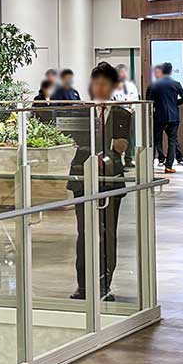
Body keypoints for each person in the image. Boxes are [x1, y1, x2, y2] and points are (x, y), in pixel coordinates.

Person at [72, 61, 131, 302]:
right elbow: (74, 141)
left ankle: (104, 285)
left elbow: (121, 145)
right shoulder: (80, 112)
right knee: (84, 234)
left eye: (104, 83)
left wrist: (103, 150)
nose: (99, 88)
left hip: (109, 180)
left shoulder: (123, 114)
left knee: (107, 235)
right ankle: (83, 286)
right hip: (82, 179)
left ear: (113, 86)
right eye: (95, 83)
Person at [147, 63, 183, 172]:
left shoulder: (154, 85)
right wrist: (174, 103)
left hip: (159, 116)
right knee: (172, 141)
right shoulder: (176, 84)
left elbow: (149, 101)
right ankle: (169, 166)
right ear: (170, 71)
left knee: (155, 140)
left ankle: (150, 165)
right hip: (174, 116)